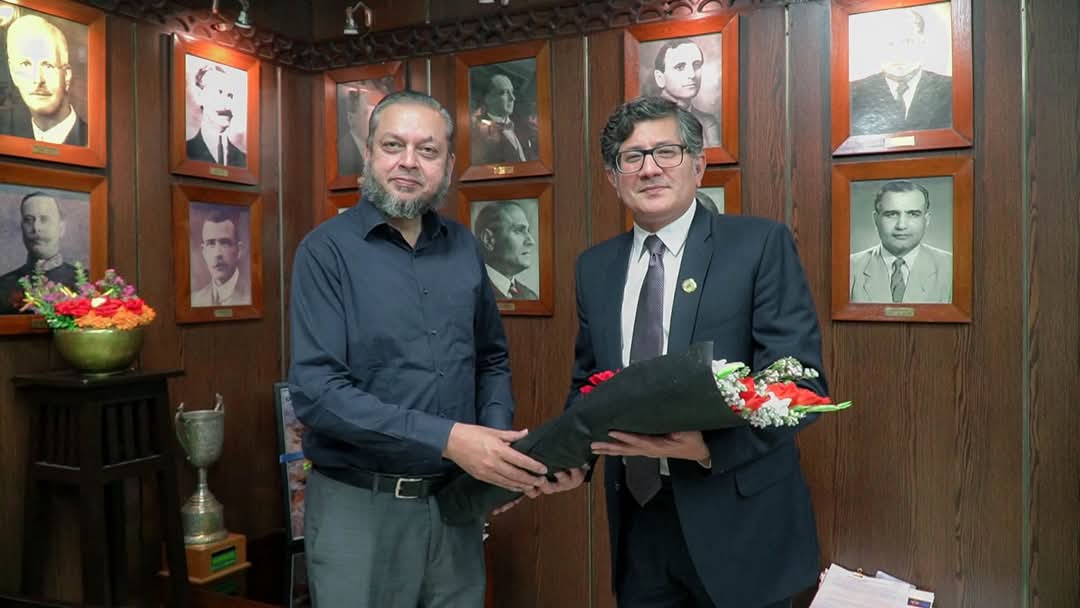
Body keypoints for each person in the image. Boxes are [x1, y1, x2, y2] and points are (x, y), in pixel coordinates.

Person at [287, 90, 580, 608]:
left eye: (427, 150)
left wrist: (492, 447)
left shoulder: (465, 246)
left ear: (447, 165)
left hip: (455, 507)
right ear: (370, 155)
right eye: (393, 145)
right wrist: (450, 439)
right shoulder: (324, 251)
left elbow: (490, 357)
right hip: (360, 510)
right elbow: (318, 391)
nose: (408, 162)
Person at [567, 96, 826, 607]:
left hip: (739, 523)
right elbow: (588, 383)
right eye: (632, 157)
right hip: (639, 524)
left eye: (667, 151)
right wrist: (563, 459)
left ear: (699, 163)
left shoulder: (758, 245)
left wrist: (709, 448)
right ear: (612, 176)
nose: (650, 169)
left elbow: (800, 384)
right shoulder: (594, 267)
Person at [849, 8, 952, 136]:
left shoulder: (951, 89)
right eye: (889, 44)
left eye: (907, 42)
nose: (898, 54)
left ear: (923, 43)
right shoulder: (852, 93)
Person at [849, 180, 952, 303]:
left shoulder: (952, 268)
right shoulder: (849, 268)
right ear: (876, 220)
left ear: (926, 220)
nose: (901, 225)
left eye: (913, 214)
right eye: (891, 214)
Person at [3, 14, 87, 145]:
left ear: (66, 75)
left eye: (48, 65)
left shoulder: (91, 141)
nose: (38, 79)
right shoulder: (6, 139)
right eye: (26, 64)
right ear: (14, 74)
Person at [0, 191, 78, 314]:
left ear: (61, 228)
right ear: (22, 227)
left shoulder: (84, 282)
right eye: (28, 220)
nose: (36, 228)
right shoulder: (3, 285)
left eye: (44, 219)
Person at [651, 40, 721, 147]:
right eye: (680, 67)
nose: (692, 74)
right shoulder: (647, 121)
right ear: (660, 78)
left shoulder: (708, 123)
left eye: (696, 65)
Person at [473, 200, 538, 300]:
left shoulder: (530, 296)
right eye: (519, 230)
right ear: (489, 239)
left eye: (528, 231)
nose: (531, 241)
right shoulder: (471, 293)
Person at [186, 64, 246, 167]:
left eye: (230, 96)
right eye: (219, 92)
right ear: (200, 96)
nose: (226, 104)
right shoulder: (185, 152)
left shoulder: (244, 161)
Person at [470, 73, 537, 165]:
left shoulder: (523, 124)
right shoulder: (477, 130)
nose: (512, 98)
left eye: (512, 92)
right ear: (488, 98)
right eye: (505, 92)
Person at [190, 209, 250, 307]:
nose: (217, 254)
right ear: (203, 252)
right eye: (211, 244)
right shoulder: (195, 300)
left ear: (239, 250)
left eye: (225, 243)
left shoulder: (252, 296)